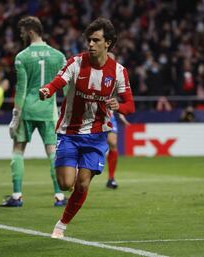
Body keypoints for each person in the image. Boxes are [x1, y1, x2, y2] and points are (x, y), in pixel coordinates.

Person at [39, 17, 135, 238]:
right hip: (69, 132)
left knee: (82, 184)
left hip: (97, 135)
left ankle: (61, 224)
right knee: (65, 184)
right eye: (89, 40)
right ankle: (70, 185)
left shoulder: (118, 71)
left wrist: (119, 105)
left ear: (107, 43)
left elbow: (130, 105)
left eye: (95, 40)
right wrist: (47, 91)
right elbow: (58, 81)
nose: (90, 44)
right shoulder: (76, 62)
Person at [0, 16, 67, 207]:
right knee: (53, 152)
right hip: (48, 111)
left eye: (22, 32)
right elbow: (66, 86)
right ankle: (59, 196)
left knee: (18, 150)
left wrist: (15, 116)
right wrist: (68, 110)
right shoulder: (58, 56)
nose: (20, 35)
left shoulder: (22, 56)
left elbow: (21, 89)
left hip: (27, 110)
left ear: (30, 31)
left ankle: (17, 195)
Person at [106, 113, 130, 189]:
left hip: (109, 116)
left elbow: (116, 104)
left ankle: (111, 178)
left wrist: (121, 116)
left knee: (113, 144)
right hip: (94, 115)